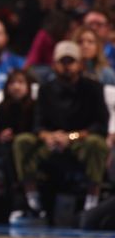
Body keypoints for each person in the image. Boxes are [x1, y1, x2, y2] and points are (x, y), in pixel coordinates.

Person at [12, 41, 109, 218]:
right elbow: (38, 125)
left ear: (80, 64)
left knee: (97, 143)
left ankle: (92, 198)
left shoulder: (93, 88)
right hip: (51, 141)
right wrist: (48, 136)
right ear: (54, 65)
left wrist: (71, 137)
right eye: (62, 62)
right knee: (22, 141)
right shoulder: (45, 89)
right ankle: (31, 197)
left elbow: (100, 125)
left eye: (70, 61)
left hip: (80, 140)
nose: (67, 66)